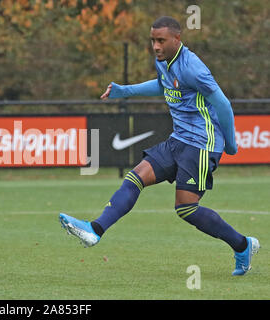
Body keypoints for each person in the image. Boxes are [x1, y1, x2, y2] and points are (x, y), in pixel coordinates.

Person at [59, 16, 259, 276]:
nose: (155, 46)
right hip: (178, 139)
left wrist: (230, 144)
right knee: (135, 177)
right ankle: (94, 229)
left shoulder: (193, 68)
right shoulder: (164, 61)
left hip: (201, 144)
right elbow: (164, 85)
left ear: (177, 39)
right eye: (153, 40)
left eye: (161, 40)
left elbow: (223, 104)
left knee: (186, 208)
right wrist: (125, 91)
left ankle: (243, 245)